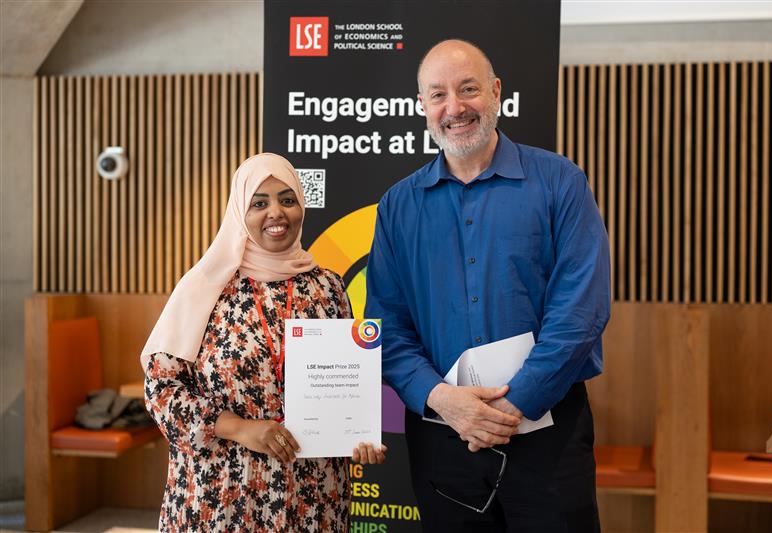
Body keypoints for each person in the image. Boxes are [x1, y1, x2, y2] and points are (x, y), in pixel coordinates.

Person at [365, 39, 610, 531]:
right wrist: (441, 399)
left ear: (496, 92)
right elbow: (385, 329)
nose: (454, 108)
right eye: (438, 95)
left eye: (468, 89)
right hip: (443, 437)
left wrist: (515, 404)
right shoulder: (397, 207)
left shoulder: (561, 183)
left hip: (548, 436)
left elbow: (580, 312)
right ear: (422, 107)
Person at [142, 153, 386, 532]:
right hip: (223, 497)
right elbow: (161, 391)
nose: (277, 212)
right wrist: (239, 428)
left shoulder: (328, 288)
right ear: (240, 211)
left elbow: (344, 383)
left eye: (288, 200)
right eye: (260, 203)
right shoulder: (206, 288)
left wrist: (358, 435)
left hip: (312, 497)